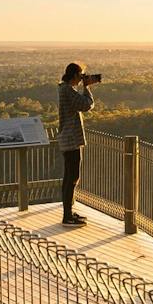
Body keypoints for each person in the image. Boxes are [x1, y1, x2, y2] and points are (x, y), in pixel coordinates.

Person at [57, 61, 97, 226]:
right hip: (71, 139)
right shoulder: (67, 90)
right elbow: (87, 105)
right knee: (72, 177)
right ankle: (67, 216)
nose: (82, 78)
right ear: (74, 75)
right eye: (80, 75)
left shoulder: (65, 89)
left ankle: (69, 212)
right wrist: (87, 88)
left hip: (68, 139)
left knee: (69, 177)